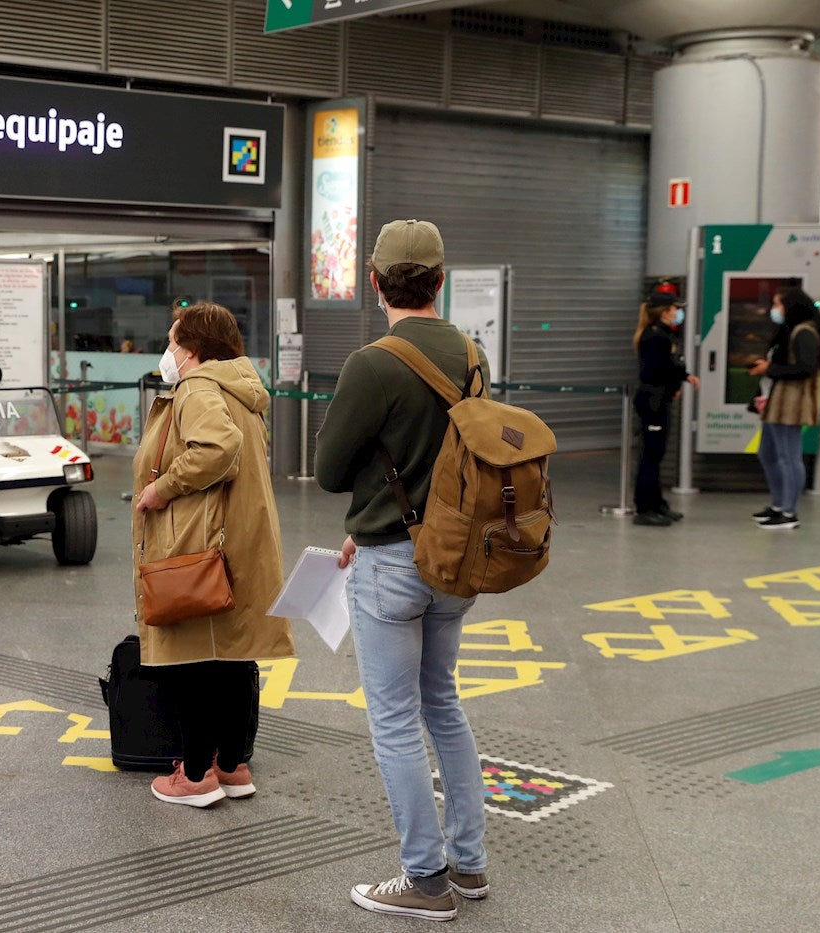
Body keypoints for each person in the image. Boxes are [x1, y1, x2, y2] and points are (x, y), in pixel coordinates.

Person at [314, 219, 491, 922]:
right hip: (455, 560)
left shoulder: (372, 363)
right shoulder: (473, 354)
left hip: (390, 562)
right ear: (440, 281)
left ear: (375, 280)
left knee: (393, 719)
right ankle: (469, 863)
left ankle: (424, 878)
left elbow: (328, 471)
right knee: (442, 704)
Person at [132, 299, 295, 808]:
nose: (168, 349)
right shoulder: (240, 391)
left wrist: (162, 489)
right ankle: (232, 764)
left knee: (194, 655)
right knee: (232, 653)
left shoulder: (199, 389)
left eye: (173, 340)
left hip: (201, 544)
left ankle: (196, 774)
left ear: (194, 349)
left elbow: (215, 449)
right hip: (240, 539)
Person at [747, 286, 820, 531]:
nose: (774, 310)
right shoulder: (789, 331)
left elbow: (805, 369)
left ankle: (789, 511)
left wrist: (769, 369)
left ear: (791, 306)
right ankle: (777, 504)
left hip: (791, 403)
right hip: (776, 401)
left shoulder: (805, 333)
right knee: (768, 453)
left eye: (777, 304)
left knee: (789, 457)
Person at [631, 290, 700, 527]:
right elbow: (656, 371)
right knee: (650, 455)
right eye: (675, 309)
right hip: (653, 401)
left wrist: (681, 378)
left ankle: (657, 502)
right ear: (664, 312)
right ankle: (644, 507)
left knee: (656, 454)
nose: (678, 313)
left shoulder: (663, 335)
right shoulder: (654, 337)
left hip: (659, 399)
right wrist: (680, 378)